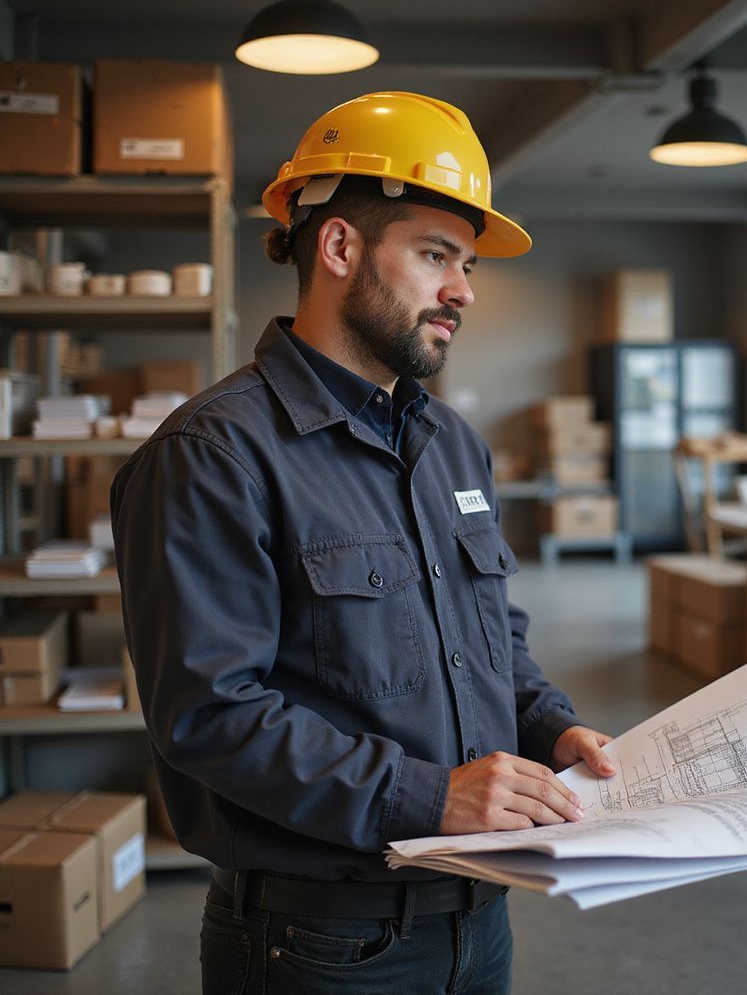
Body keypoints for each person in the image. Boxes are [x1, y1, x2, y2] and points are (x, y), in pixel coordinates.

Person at [111, 91, 616, 995]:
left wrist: (553, 724)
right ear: (340, 248)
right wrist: (431, 798)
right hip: (320, 944)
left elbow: (491, 632)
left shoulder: (450, 442)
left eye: (464, 264)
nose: (463, 289)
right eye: (434, 256)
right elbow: (207, 712)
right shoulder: (215, 453)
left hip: (478, 915)